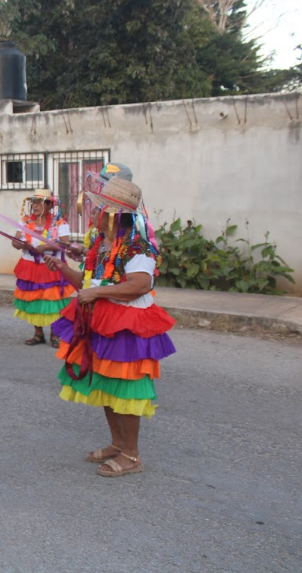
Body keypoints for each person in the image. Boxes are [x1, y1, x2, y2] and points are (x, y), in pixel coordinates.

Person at [44, 177, 175, 477]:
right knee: (107, 384)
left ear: (115, 214)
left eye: (99, 207)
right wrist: (63, 269)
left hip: (125, 324)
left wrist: (97, 293)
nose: (93, 211)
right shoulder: (102, 244)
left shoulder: (136, 246)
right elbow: (89, 283)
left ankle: (132, 454)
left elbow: (141, 285)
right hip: (102, 320)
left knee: (126, 389)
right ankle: (118, 444)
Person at [11, 189, 75, 347]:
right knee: (34, 298)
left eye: (40, 202)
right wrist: (20, 244)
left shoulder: (59, 223)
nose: (35, 205)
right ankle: (38, 334)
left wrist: (44, 247)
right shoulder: (25, 222)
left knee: (53, 300)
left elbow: (64, 244)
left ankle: (55, 334)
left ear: (48, 204)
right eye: (34, 201)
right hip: (29, 266)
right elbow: (15, 242)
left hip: (51, 266)